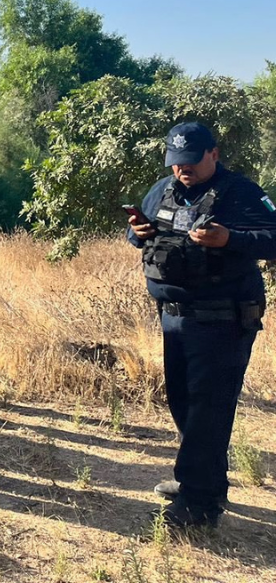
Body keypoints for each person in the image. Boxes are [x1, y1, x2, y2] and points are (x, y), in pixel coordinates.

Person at [127, 122, 276, 529]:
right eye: (176, 164)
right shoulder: (164, 188)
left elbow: (273, 238)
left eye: (191, 162)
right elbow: (139, 233)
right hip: (174, 316)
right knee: (183, 402)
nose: (182, 171)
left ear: (214, 153)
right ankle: (204, 480)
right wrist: (137, 232)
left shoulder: (240, 192)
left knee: (207, 407)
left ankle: (199, 503)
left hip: (222, 318)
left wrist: (230, 239)